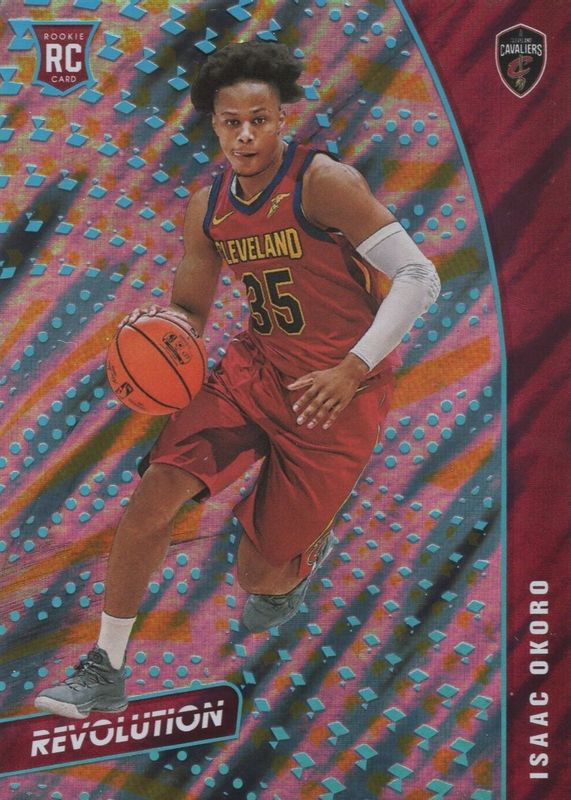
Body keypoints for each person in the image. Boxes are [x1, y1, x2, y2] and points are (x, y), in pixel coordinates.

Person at [34, 42, 440, 719]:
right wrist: (159, 333)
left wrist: (353, 367)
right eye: (231, 122)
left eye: (259, 120)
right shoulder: (209, 206)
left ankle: (298, 554)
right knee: (154, 494)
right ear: (215, 125)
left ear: (282, 119)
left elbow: (420, 276)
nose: (245, 135)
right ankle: (105, 669)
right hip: (253, 371)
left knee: (258, 579)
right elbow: (191, 311)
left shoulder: (324, 183)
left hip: (336, 392)